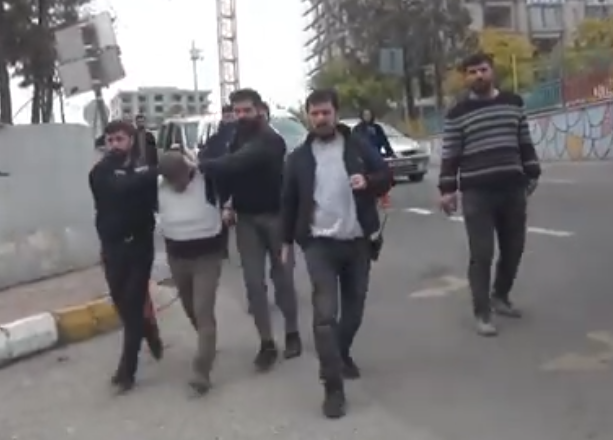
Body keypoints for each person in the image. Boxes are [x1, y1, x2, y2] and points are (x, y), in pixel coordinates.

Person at [280, 89, 393, 419]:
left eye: (325, 113)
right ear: (308, 117)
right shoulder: (298, 158)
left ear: (336, 113)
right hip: (319, 244)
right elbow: (288, 203)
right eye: (314, 114)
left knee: (354, 311)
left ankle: (340, 353)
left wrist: (368, 181)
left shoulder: (358, 145)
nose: (320, 119)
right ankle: (332, 387)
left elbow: (386, 176)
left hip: (357, 242)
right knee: (325, 316)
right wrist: (285, 244)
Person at [438, 52, 541, 337]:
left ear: (492, 71)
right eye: (472, 72)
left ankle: (500, 296)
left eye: (483, 70)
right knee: (481, 254)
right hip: (477, 193)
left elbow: (524, 141)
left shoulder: (513, 103)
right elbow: (450, 155)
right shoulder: (457, 113)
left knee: (514, 248)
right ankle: (482, 313)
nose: (479, 76)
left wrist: (532, 172)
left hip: (512, 188)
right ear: (465, 77)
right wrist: (447, 190)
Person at [199, 88, 302, 371]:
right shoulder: (235, 137)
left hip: (276, 217)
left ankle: (292, 332)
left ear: (259, 110)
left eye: (247, 110)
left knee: (283, 279)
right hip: (246, 219)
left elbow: (235, 163)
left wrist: (199, 165)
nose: (241, 116)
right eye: (237, 111)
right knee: (254, 284)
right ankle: (266, 343)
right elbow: (229, 174)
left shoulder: (271, 140)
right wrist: (226, 203)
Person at [88, 120, 163, 393]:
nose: (114, 145)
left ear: (131, 140)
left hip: (140, 246)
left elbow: (154, 199)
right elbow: (120, 188)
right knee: (121, 303)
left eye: (119, 139)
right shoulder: (100, 172)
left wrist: (153, 173)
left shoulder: (142, 167)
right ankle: (148, 327)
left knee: (132, 304)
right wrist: (152, 172)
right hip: (113, 248)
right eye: (110, 140)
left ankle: (127, 371)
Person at [157, 151, 229, 395]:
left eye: (181, 178)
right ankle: (207, 342)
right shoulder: (158, 188)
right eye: (171, 180)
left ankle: (202, 371)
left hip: (207, 256)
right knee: (190, 308)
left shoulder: (207, 180)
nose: (178, 184)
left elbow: (231, 187)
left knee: (202, 309)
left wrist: (228, 208)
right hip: (177, 257)